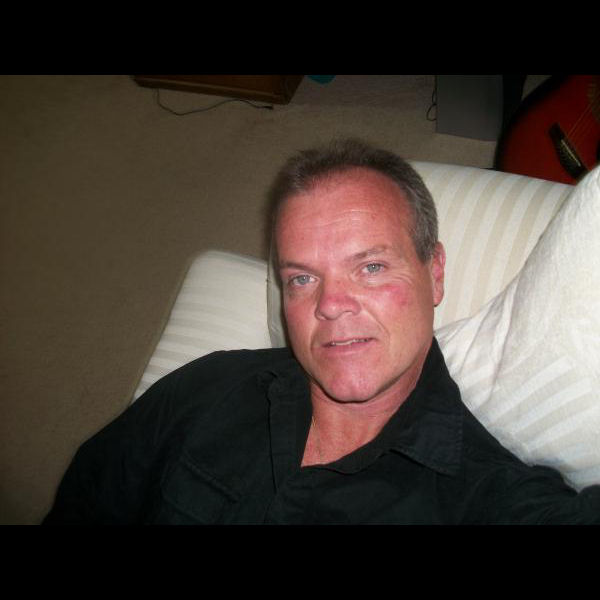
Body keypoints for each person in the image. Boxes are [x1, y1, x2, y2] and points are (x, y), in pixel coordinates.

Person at [43, 138, 600, 524]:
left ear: (434, 272)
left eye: (371, 267)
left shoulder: (489, 496)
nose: (330, 305)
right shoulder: (208, 386)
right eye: (302, 278)